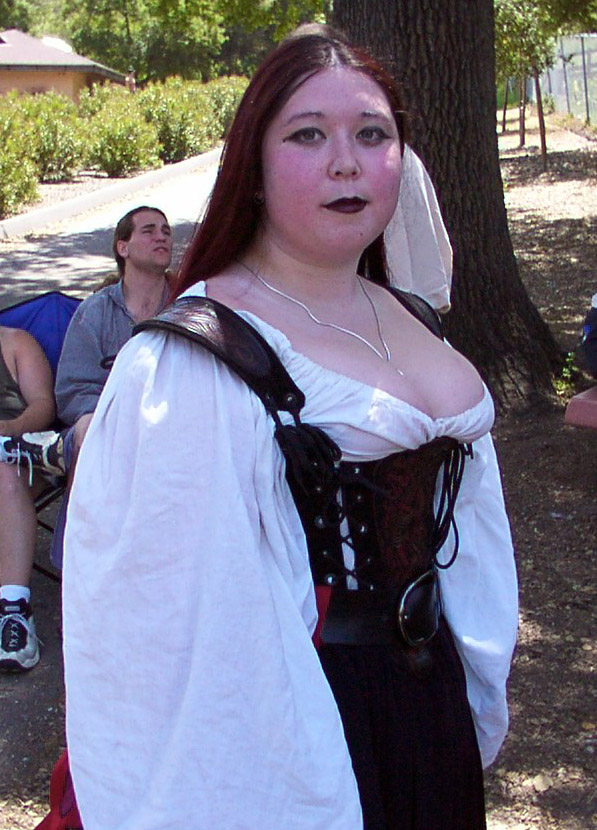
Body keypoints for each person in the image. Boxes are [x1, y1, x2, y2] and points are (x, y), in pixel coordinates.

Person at [60, 26, 517, 830]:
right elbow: (168, 629)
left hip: (427, 701)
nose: (346, 161)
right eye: (308, 135)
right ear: (255, 168)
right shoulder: (192, 359)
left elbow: (471, 545)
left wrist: (468, 696)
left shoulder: (411, 316)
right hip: (294, 725)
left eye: (371, 135)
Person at [1, 206, 173, 569]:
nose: (161, 236)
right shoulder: (95, 312)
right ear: (123, 247)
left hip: (176, 417)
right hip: (105, 422)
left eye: (166, 231)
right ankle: (82, 568)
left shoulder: (188, 306)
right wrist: (116, 416)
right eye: (149, 230)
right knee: (88, 430)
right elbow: (73, 390)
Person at [0, 325, 55, 670]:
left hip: (17, 459)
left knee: (3, 475)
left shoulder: (14, 342)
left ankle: (14, 611)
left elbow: (43, 405)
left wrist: (9, 428)